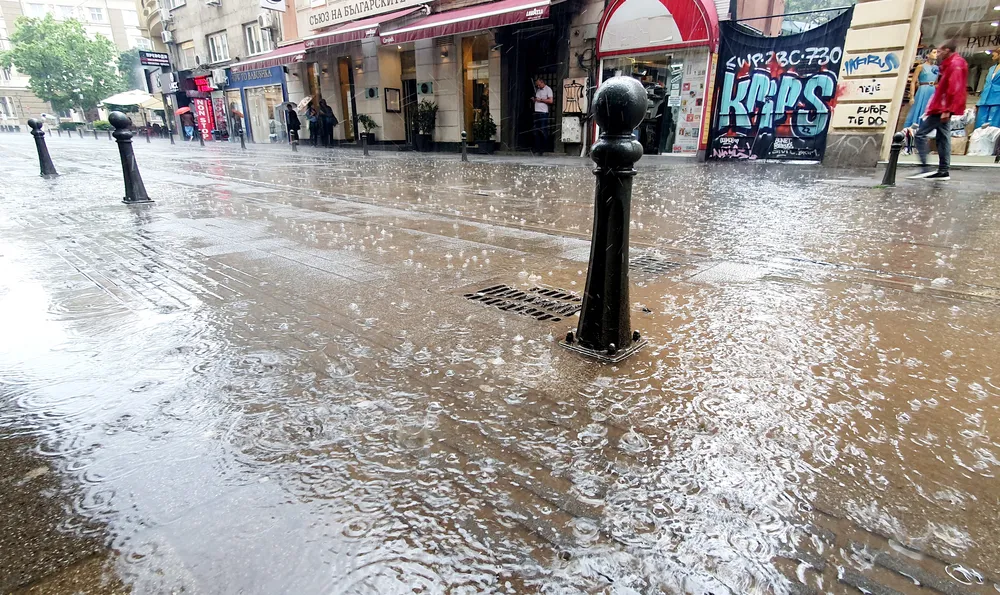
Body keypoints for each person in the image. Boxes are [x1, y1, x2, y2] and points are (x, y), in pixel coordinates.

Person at [909, 41, 967, 181]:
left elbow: (954, 87)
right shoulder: (951, 63)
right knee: (943, 137)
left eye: (940, 51)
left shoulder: (955, 64)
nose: (938, 54)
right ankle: (943, 170)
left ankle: (925, 168)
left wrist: (946, 110)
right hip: (941, 105)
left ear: (947, 50)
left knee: (921, 134)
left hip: (942, 106)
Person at [905, 49, 938, 128]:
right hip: (923, 89)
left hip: (932, 90)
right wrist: (912, 96)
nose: (936, 54)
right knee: (919, 109)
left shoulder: (936, 68)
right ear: (927, 55)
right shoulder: (921, 67)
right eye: (934, 52)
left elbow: (937, 81)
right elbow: (913, 82)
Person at [976, 49, 1000, 128]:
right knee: (980, 124)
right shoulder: (991, 68)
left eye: (995, 52)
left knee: (993, 126)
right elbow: (987, 84)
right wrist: (979, 101)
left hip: (997, 100)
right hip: (985, 99)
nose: (992, 54)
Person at [531, 77, 553, 155]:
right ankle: (537, 147)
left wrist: (540, 100)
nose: (538, 86)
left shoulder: (548, 89)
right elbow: (537, 100)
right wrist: (534, 100)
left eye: (539, 84)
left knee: (543, 130)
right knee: (536, 131)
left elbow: (550, 101)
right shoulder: (538, 90)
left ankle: (544, 148)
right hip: (537, 111)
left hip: (543, 112)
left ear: (542, 82)